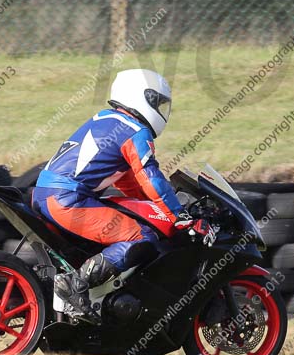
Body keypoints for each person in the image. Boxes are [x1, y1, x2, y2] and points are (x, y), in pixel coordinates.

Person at [33, 69, 195, 323]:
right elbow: (150, 177)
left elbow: (130, 183)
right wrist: (179, 214)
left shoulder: (107, 120)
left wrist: (157, 205)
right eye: (157, 103)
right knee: (142, 235)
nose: (161, 110)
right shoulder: (134, 131)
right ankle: (74, 286)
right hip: (67, 200)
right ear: (142, 97)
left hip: (48, 195)